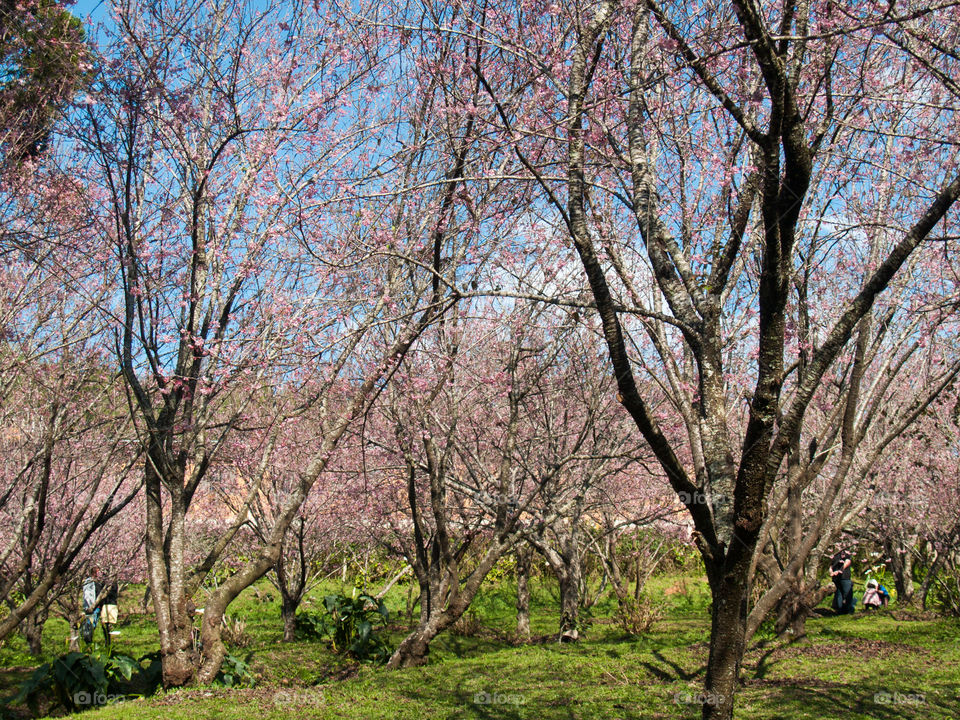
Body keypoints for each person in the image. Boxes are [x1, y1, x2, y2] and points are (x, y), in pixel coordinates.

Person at [830, 547, 855, 614]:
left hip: (836, 578)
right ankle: (847, 610)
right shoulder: (845, 554)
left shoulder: (834, 555)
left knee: (839, 594)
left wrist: (832, 573)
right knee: (847, 594)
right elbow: (847, 562)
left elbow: (830, 566)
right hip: (844, 577)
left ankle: (839, 610)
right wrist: (839, 571)